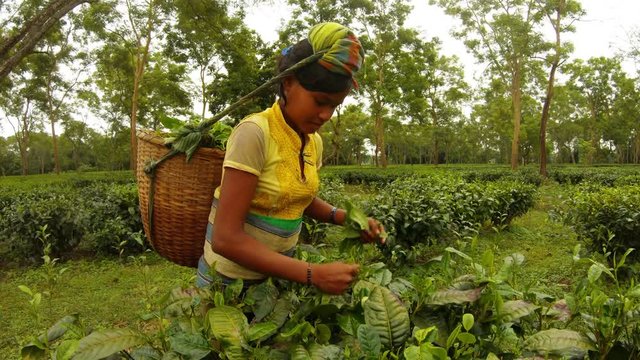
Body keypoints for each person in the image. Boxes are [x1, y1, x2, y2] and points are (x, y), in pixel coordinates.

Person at [196, 22, 384, 295]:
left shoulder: (312, 141)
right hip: (227, 288)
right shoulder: (254, 132)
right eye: (320, 102)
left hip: (275, 283)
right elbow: (225, 239)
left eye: (334, 106)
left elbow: (297, 198)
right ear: (288, 83)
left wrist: (349, 219)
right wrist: (312, 274)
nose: (326, 115)